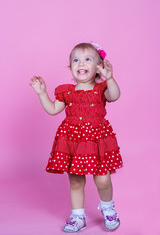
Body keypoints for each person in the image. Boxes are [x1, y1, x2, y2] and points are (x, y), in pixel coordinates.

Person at [30, 42, 123, 233]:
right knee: (76, 181)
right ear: (70, 66)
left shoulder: (101, 89)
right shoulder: (66, 92)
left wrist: (111, 78)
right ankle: (78, 216)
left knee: (102, 180)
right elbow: (53, 109)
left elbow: (114, 96)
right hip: (73, 140)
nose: (81, 63)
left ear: (99, 67)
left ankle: (108, 209)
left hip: (97, 141)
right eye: (76, 60)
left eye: (87, 59)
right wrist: (42, 94)